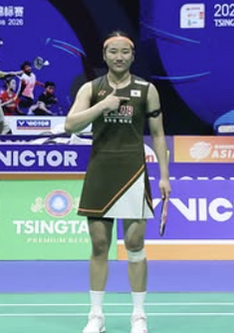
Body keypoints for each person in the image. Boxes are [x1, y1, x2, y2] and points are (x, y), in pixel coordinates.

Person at [64, 31, 171, 333]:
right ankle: (96, 315)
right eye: (113, 52)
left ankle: (138, 315)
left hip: (133, 172)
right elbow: (70, 124)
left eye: (125, 52)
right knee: (100, 245)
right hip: (100, 170)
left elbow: (158, 134)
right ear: (104, 55)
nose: (119, 57)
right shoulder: (91, 88)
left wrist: (164, 176)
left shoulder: (147, 89)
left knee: (135, 244)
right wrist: (102, 106)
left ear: (133, 56)